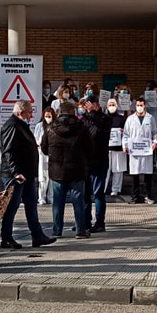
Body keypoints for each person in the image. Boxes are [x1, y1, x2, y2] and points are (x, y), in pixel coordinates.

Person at [0, 100, 56, 250]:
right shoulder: (12, 126)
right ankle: (6, 237)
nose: (31, 115)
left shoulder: (21, 125)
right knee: (12, 206)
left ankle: (37, 235)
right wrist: (16, 172)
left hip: (27, 175)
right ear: (20, 112)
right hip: (16, 175)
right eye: (29, 112)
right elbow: (9, 152)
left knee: (31, 205)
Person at [43, 102, 91, 239]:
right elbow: (90, 148)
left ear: (59, 112)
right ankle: (80, 230)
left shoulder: (51, 128)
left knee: (58, 202)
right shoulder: (81, 127)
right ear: (73, 112)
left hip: (57, 170)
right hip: (77, 170)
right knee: (78, 201)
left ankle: (57, 230)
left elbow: (45, 149)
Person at [80, 98, 111, 233]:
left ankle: (99, 222)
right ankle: (85, 221)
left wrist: (93, 113)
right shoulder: (82, 120)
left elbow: (97, 132)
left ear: (97, 105)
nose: (87, 107)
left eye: (90, 105)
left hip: (99, 161)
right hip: (85, 162)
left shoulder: (104, 119)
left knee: (98, 193)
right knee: (85, 194)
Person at [123, 98, 156, 204]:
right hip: (134, 150)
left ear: (145, 105)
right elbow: (126, 134)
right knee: (134, 174)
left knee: (147, 174)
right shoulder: (130, 119)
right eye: (138, 105)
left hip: (147, 150)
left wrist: (155, 142)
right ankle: (135, 196)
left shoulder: (150, 118)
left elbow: (154, 132)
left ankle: (148, 196)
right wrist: (125, 145)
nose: (139, 107)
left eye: (141, 105)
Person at [105, 98, 127, 198]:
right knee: (105, 169)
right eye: (110, 104)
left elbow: (127, 133)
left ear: (117, 106)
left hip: (118, 148)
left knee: (118, 169)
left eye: (113, 104)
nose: (112, 106)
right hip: (106, 148)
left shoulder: (122, 119)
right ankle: (103, 188)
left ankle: (116, 189)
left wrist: (123, 131)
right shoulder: (103, 118)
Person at [34, 108, 55, 205]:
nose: (48, 118)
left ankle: (51, 196)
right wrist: (39, 143)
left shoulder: (55, 126)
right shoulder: (39, 126)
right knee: (43, 177)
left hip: (53, 153)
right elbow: (35, 138)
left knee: (52, 177)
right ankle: (41, 197)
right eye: (46, 116)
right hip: (42, 153)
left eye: (49, 116)